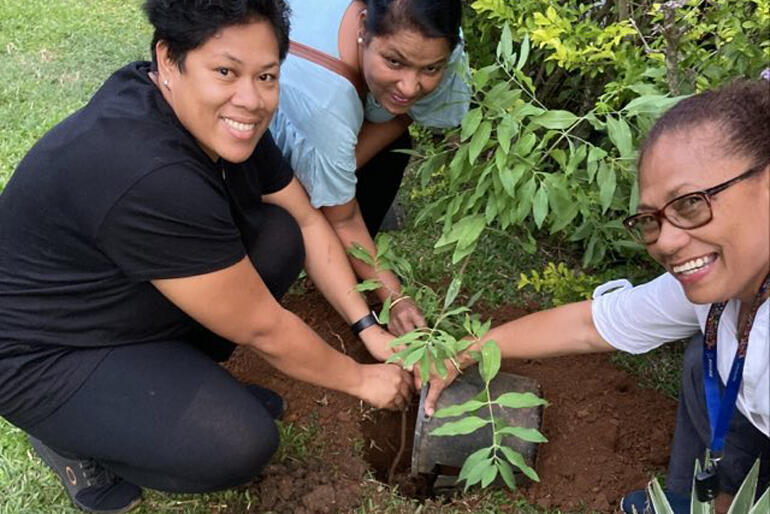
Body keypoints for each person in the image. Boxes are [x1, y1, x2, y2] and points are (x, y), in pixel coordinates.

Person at [0, 1, 413, 512]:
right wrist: (363, 380)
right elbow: (263, 328)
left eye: (266, 76)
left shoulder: (220, 120)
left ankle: (173, 382)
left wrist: (368, 329)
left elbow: (307, 220)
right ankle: (67, 436)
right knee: (237, 444)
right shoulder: (149, 173)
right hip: (39, 352)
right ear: (169, 60)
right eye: (225, 71)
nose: (252, 98)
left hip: (112, 298)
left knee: (280, 235)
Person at [422, 80, 770, 513]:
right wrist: (467, 352)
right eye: (651, 220)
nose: (666, 242)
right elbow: (588, 326)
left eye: (691, 204)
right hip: (749, 417)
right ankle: (687, 499)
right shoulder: (713, 287)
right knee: (704, 359)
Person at [270, 0, 471, 335]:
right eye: (394, 61)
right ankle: (335, 273)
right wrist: (396, 297)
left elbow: (409, 111)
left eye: (430, 70)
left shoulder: (434, 30)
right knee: (290, 226)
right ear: (363, 27)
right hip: (267, 136)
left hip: (334, 128)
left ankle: (353, 269)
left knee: (390, 154)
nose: (410, 86)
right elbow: (342, 215)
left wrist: (343, 168)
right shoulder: (323, 101)